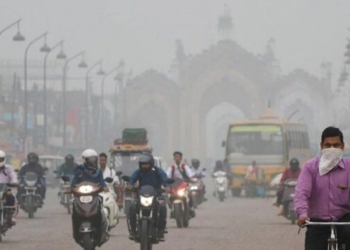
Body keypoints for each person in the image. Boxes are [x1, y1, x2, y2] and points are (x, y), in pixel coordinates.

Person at [295, 126, 350, 250]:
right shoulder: (310, 167)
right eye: (328, 145)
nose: (332, 149)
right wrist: (302, 214)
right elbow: (302, 193)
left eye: (336, 145)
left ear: (342, 146)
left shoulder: (349, 167)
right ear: (321, 146)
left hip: (345, 219)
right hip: (318, 221)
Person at [69, 149, 109, 245]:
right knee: (73, 210)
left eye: (94, 159)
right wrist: (70, 189)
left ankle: (102, 232)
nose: (92, 161)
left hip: (94, 195)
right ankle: (76, 232)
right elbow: (74, 182)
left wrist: (104, 187)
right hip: (80, 195)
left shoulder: (98, 171)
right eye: (90, 159)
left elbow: (102, 181)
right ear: (85, 160)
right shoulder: (79, 170)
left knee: (101, 211)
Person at [127, 153, 170, 241]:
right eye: (143, 164)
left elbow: (165, 179)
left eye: (146, 164)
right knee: (132, 206)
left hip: (157, 194)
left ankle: (161, 230)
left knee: (162, 206)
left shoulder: (158, 171)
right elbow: (132, 179)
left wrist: (167, 187)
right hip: (141, 195)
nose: (144, 166)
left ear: (151, 164)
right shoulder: (139, 172)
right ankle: (133, 230)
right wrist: (130, 185)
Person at [167, 151, 195, 216]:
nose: (177, 158)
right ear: (174, 158)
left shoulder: (184, 166)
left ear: (181, 158)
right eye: (176, 157)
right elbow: (167, 176)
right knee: (168, 196)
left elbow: (190, 174)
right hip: (174, 186)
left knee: (190, 194)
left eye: (178, 157)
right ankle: (172, 208)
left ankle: (191, 208)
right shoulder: (171, 168)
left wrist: (191, 179)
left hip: (184, 185)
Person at [0, 150, 18, 227]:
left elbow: (13, 175)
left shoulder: (8, 168)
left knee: (11, 196)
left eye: (0, 159)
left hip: (5, 188)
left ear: (4, 159)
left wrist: (15, 181)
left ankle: (10, 215)